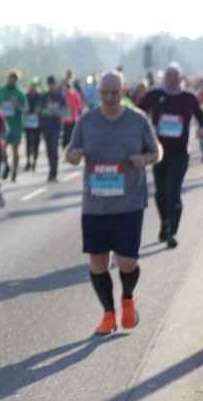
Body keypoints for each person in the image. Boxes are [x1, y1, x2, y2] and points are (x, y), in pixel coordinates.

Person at [66, 71, 161, 336]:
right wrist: (74, 155)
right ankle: (108, 314)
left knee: (127, 262)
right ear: (98, 92)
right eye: (105, 93)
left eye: (114, 93)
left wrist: (144, 159)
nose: (109, 98)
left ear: (124, 91)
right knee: (98, 263)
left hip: (129, 201)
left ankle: (128, 298)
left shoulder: (137, 120)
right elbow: (71, 152)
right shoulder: (87, 121)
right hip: (95, 204)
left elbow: (156, 151)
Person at [137, 64, 203, 248]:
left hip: (180, 152)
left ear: (181, 78)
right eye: (168, 76)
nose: (171, 80)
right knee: (160, 193)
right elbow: (137, 112)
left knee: (174, 190)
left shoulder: (189, 97)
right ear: (163, 78)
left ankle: (172, 232)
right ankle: (164, 223)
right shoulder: (154, 95)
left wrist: (202, 129)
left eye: (175, 76)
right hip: (158, 152)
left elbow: (201, 116)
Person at [0, 70, 27, 182]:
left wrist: (17, 106)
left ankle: (14, 172)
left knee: (15, 150)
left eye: (14, 79)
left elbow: (25, 109)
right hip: (3, 125)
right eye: (10, 78)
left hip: (16, 125)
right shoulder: (1, 91)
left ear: (16, 80)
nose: (11, 81)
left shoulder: (20, 93)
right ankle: (7, 166)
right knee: (2, 149)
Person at [38, 76, 67, 182]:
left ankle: (54, 172)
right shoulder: (44, 96)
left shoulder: (59, 96)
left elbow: (66, 110)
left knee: (54, 149)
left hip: (56, 126)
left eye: (53, 84)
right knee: (49, 150)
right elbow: (38, 109)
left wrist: (60, 113)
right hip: (46, 126)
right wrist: (48, 112)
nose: (52, 86)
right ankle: (51, 171)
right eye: (50, 84)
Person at [24, 76, 42, 171]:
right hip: (28, 124)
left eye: (35, 86)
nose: (33, 88)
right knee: (28, 143)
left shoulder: (40, 96)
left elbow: (42, 108)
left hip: (37, 124)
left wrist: (39, 112)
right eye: (32, 86)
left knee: (36, 143)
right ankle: (28, 161)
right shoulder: (26, 96)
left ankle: (34, 162)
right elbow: (24, 108)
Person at [60, 80, 83, 148]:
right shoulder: (61, 96)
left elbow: (79, 106)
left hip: (72, 120)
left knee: (71, 136)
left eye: (65, 88)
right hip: (64, 120)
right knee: (64, 137)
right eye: (63, 88)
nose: (64, 90)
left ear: (69, 88)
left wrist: (71, 108)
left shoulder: (74, 95)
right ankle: (64, 150)